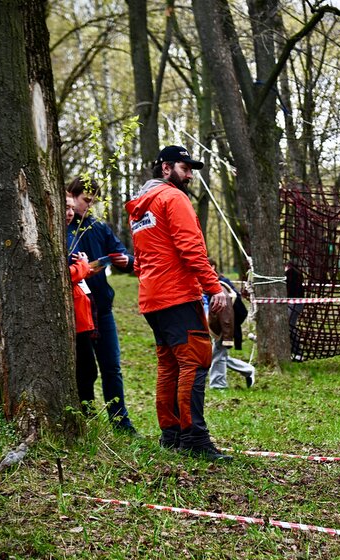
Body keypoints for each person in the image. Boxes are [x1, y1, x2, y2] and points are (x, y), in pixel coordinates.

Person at [125, 145, 232, 461]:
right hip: (177, 294)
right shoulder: (173, 198)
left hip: (152, 299)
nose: (189, 175)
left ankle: (171, 436)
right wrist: (215, 289)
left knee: (169, 365)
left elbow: (139, 262)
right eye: (185, 168)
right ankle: (194, 439)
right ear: (165, 168)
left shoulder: (140, 208)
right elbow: (191, 250)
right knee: (194, 361)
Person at [66, 177, 138, 434]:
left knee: (112, 367)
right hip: (75, 311)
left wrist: (124, 260)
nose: (89, 205)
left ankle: (120, 421)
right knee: (84, 370)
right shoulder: (61, 227)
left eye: (94, 201)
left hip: (102, 308)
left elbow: (125, 257)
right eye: (86, 200)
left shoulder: (98, 227)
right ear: (72, 196)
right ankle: (84, 418)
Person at [66, 194, 100, 411]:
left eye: (71, 208)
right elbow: (63, 276)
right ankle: (85, 415)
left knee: (88, 370)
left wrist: (85, 269)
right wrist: (84, 267)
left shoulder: (69, 236)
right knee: (86, 370)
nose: (70, 213)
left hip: (81, 315)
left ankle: (86, 415)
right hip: (73, 320)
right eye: (65, 208)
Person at [207, 259, 255, 390]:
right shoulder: (210, 283)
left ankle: (218, 385)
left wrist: (227, 337)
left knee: (218, 355)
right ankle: (248, 370)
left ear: (213, 266)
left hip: (224, 327)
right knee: (218, 355)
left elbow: (226, 313)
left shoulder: (220, 286)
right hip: (216, 326)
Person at [285, 261, 305, 361]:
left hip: (294, 303)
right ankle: (295, 352)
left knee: (290, 326)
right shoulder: (296, 274)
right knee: (289, 326)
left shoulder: (291, 274)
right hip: (295, 303)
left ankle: (298, 352)